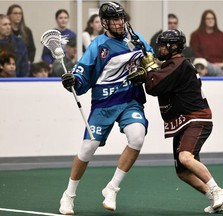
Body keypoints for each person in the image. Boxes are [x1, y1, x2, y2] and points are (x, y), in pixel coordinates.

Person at [58, 2, 153, 215]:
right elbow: (82, 75)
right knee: (87, 149)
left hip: (130, 100)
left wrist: (146, 73)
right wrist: (73, 80)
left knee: (137, 137)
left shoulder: (136, 39)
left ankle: (112, 188)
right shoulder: (98, 45)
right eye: (115, 19)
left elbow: (152, 62)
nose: (120, 23)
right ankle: (69, 195)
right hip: (104, 104)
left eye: (122, 18)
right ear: (104, 23)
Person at [128, 29, 223, 214]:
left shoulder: (178, 64)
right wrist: (149, 71)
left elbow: (154, 85)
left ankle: (218, 190)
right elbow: (158, 77)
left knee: (185, 157)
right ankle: (215, 198)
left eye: (162, 45)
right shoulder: (173, 64)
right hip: (183, 122)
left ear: (173, 46)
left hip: (196, 119)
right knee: (183, 172)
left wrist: (146, 74)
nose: (159, 49)